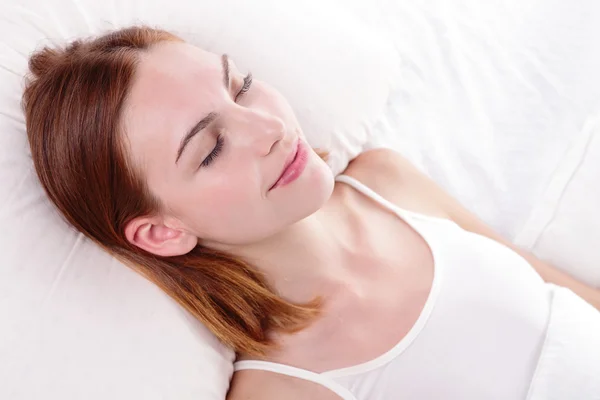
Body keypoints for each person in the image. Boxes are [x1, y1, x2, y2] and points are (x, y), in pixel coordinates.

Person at [22, 26, 600, 400]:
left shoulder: (386, 180)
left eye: (241, 87)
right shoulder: (286, 390)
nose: (269, 128)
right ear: (162, 231)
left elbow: (568, 297)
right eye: (211, 148)